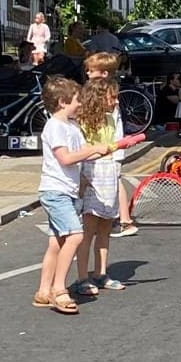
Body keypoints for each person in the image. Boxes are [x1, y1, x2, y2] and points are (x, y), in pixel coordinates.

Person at [32, 77, 110, 315]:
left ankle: (44, 291)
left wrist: (102, 150)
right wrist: (91, 150)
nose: (81, 104)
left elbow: (82, 155)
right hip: (55, 191)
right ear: (63, 101)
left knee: (57, 241)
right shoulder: (55, 126)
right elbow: (65, 158)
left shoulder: (73, 126)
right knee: (76, 235)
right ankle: (59, 289)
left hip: (68, 191)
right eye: (77, 100)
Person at [73, 77, 126, 297]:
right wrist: (81, 181)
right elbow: (81, 151)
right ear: (99, 97)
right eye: (112, 97)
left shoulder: (111, 119)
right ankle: (82, 277)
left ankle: (101, 272)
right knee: (88, 230)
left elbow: (114, 148)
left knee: (105, 228)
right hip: (90, 174)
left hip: (109, 173)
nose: (115, 102)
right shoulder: (82, 121)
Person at [83, 52, 137, 239]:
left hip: (110, 150)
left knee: (114, 183)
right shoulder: (103, 92)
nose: (88, 74)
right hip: (109, 150)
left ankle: (122, 220)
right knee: (115, 182)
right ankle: (120, 219)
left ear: (104, 74)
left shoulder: (105, 95)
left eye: (91, 71)